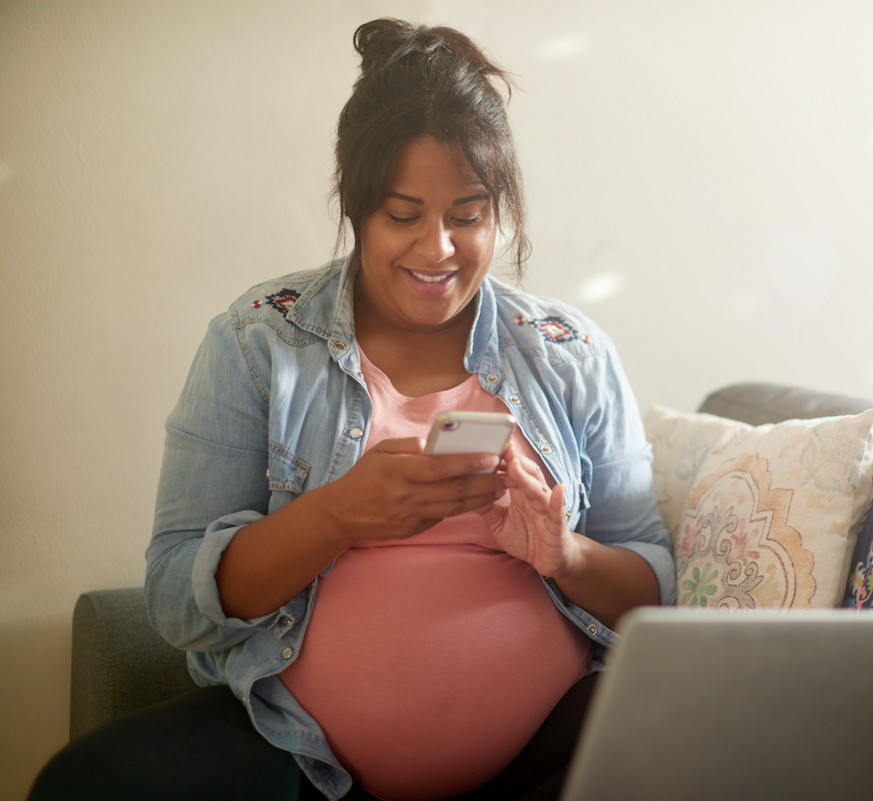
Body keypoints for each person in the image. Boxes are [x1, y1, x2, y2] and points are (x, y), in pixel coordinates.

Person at [29, 18, 674, 801]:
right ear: (357, 203)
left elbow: (654, 589)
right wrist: (338, 514)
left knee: (701, 741)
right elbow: (175, 598)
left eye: (467, 216)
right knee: (83, 784)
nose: (436, 249)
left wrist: (561, 554)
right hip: (296, 754)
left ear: (498, 211)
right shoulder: (257, 340)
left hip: (546, 755)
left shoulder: (570, 352)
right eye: (403, 214)